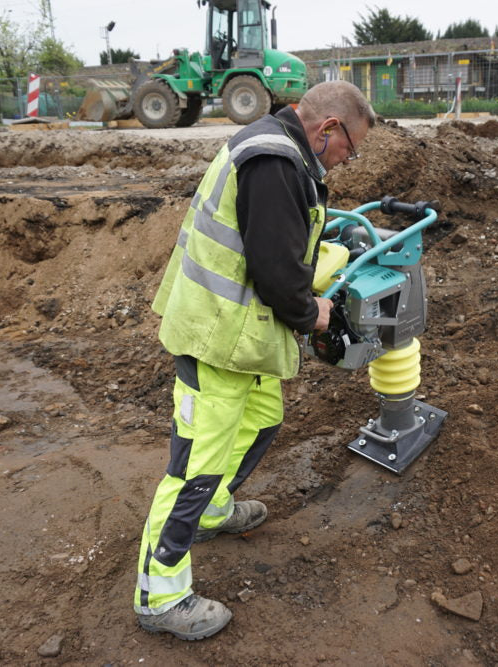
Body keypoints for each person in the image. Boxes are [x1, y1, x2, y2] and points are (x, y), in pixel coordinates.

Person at [133, 80, 376, 641]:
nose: (347, 160)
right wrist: (313, 313)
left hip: (240, 331)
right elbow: (275, 272)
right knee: (195, 466)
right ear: (328, 129)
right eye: (350, 149)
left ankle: (214, 511)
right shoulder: (274, 163)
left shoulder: (281, 151)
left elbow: (277, 242)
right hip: (216, 333)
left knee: (263, 416)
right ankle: (159, 597)